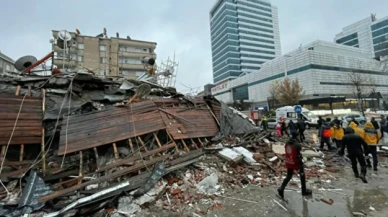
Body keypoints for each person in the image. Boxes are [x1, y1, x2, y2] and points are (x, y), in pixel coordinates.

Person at [278, 133, 312, 199]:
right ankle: (304, 191)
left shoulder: (287, 143)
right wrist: (301, 164)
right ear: (297, 137)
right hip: (296, 162)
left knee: (289, 175)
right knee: (302, 175)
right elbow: (298, 155)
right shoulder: (297, 145)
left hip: (288, 161)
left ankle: (281, 188)